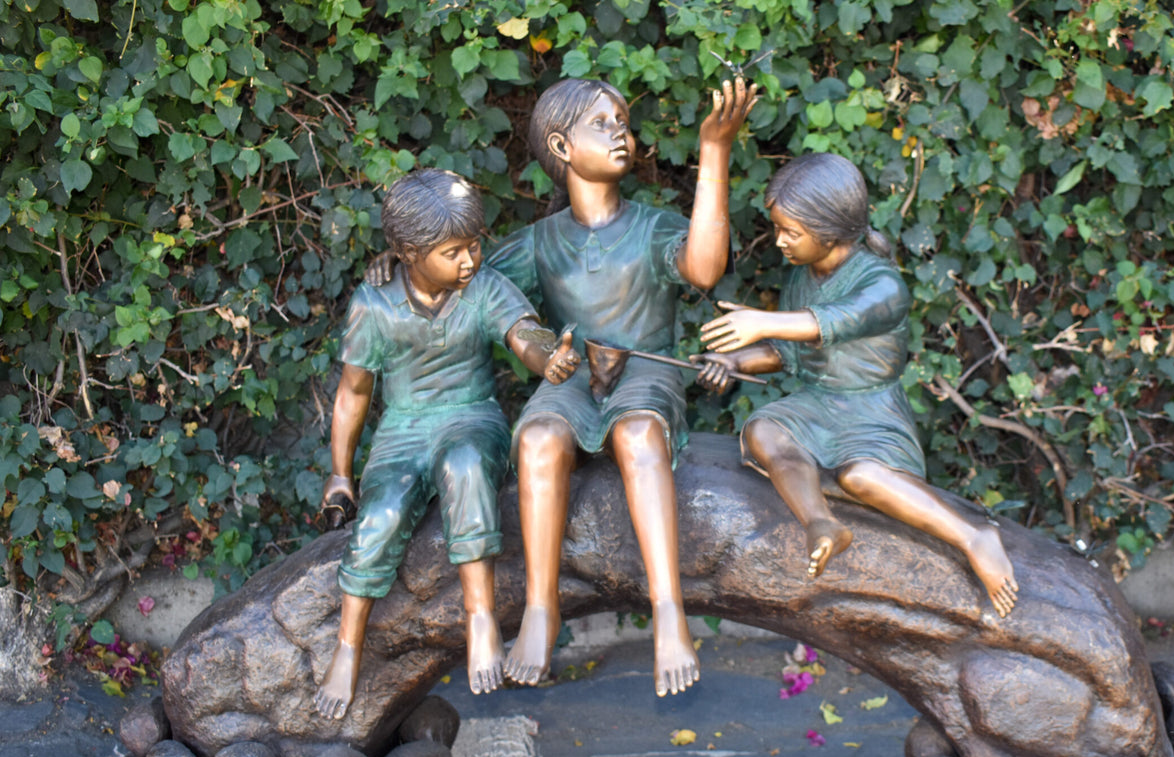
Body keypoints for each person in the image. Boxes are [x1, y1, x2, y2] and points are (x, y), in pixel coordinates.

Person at [490, 76, 758, 697]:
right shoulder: (541, 241)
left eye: (623, 122)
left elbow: (704, 267)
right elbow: (473, 286)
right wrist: (400, 261)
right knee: (536, 440)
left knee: (638, 432)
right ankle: (539, 609)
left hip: (648, 369)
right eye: (601, 123)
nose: (620, 134)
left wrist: (714, 152)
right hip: (575, 375)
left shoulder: (652, 227)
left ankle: (669, 610)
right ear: (560, 145)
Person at [694, 152, 1019, 618]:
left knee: (860, 475)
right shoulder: (800, 279)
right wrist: (731, 359)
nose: (781, 242)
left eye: (792, 232)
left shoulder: (883, 285)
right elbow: (789, 351)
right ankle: (822, 523)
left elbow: (831, 323)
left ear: (829, 231)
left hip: (870, 412)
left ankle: (975, 536)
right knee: (763, 432)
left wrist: (764, 321)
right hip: (817, 404)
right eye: (779, 229)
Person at [314, 168, 580, 721]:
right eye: (453, 251)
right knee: (382, 512)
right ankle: (347, 644)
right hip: (404, 428)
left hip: (471, 416)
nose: (469, 260)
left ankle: (480, 618)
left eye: (474, 246)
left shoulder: (481, 289)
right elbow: (353, 394)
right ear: (408, 253)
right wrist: (340, 474)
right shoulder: (375, 305)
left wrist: (547, 356)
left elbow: (520, 330)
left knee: (464, 466)